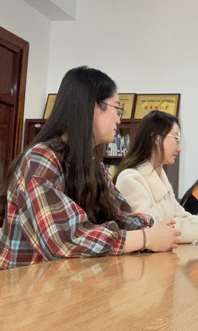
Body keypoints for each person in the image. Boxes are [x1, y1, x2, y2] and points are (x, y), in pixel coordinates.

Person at [0, 66, 180, 270]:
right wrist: (145, 238)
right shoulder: (41, 159)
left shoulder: (93, 166)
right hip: (23, 284)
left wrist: (154, 226)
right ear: (92, 107)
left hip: (67, 280)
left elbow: (120, 215)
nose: (119, 119)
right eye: (116, 108)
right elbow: (65, 239)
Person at [114, 111, 198, 243]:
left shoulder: (160, 176)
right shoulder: (130, 179)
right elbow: (154, 228)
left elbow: (180, 214)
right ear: (156, 139)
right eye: (176, 139)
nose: (179, 148)